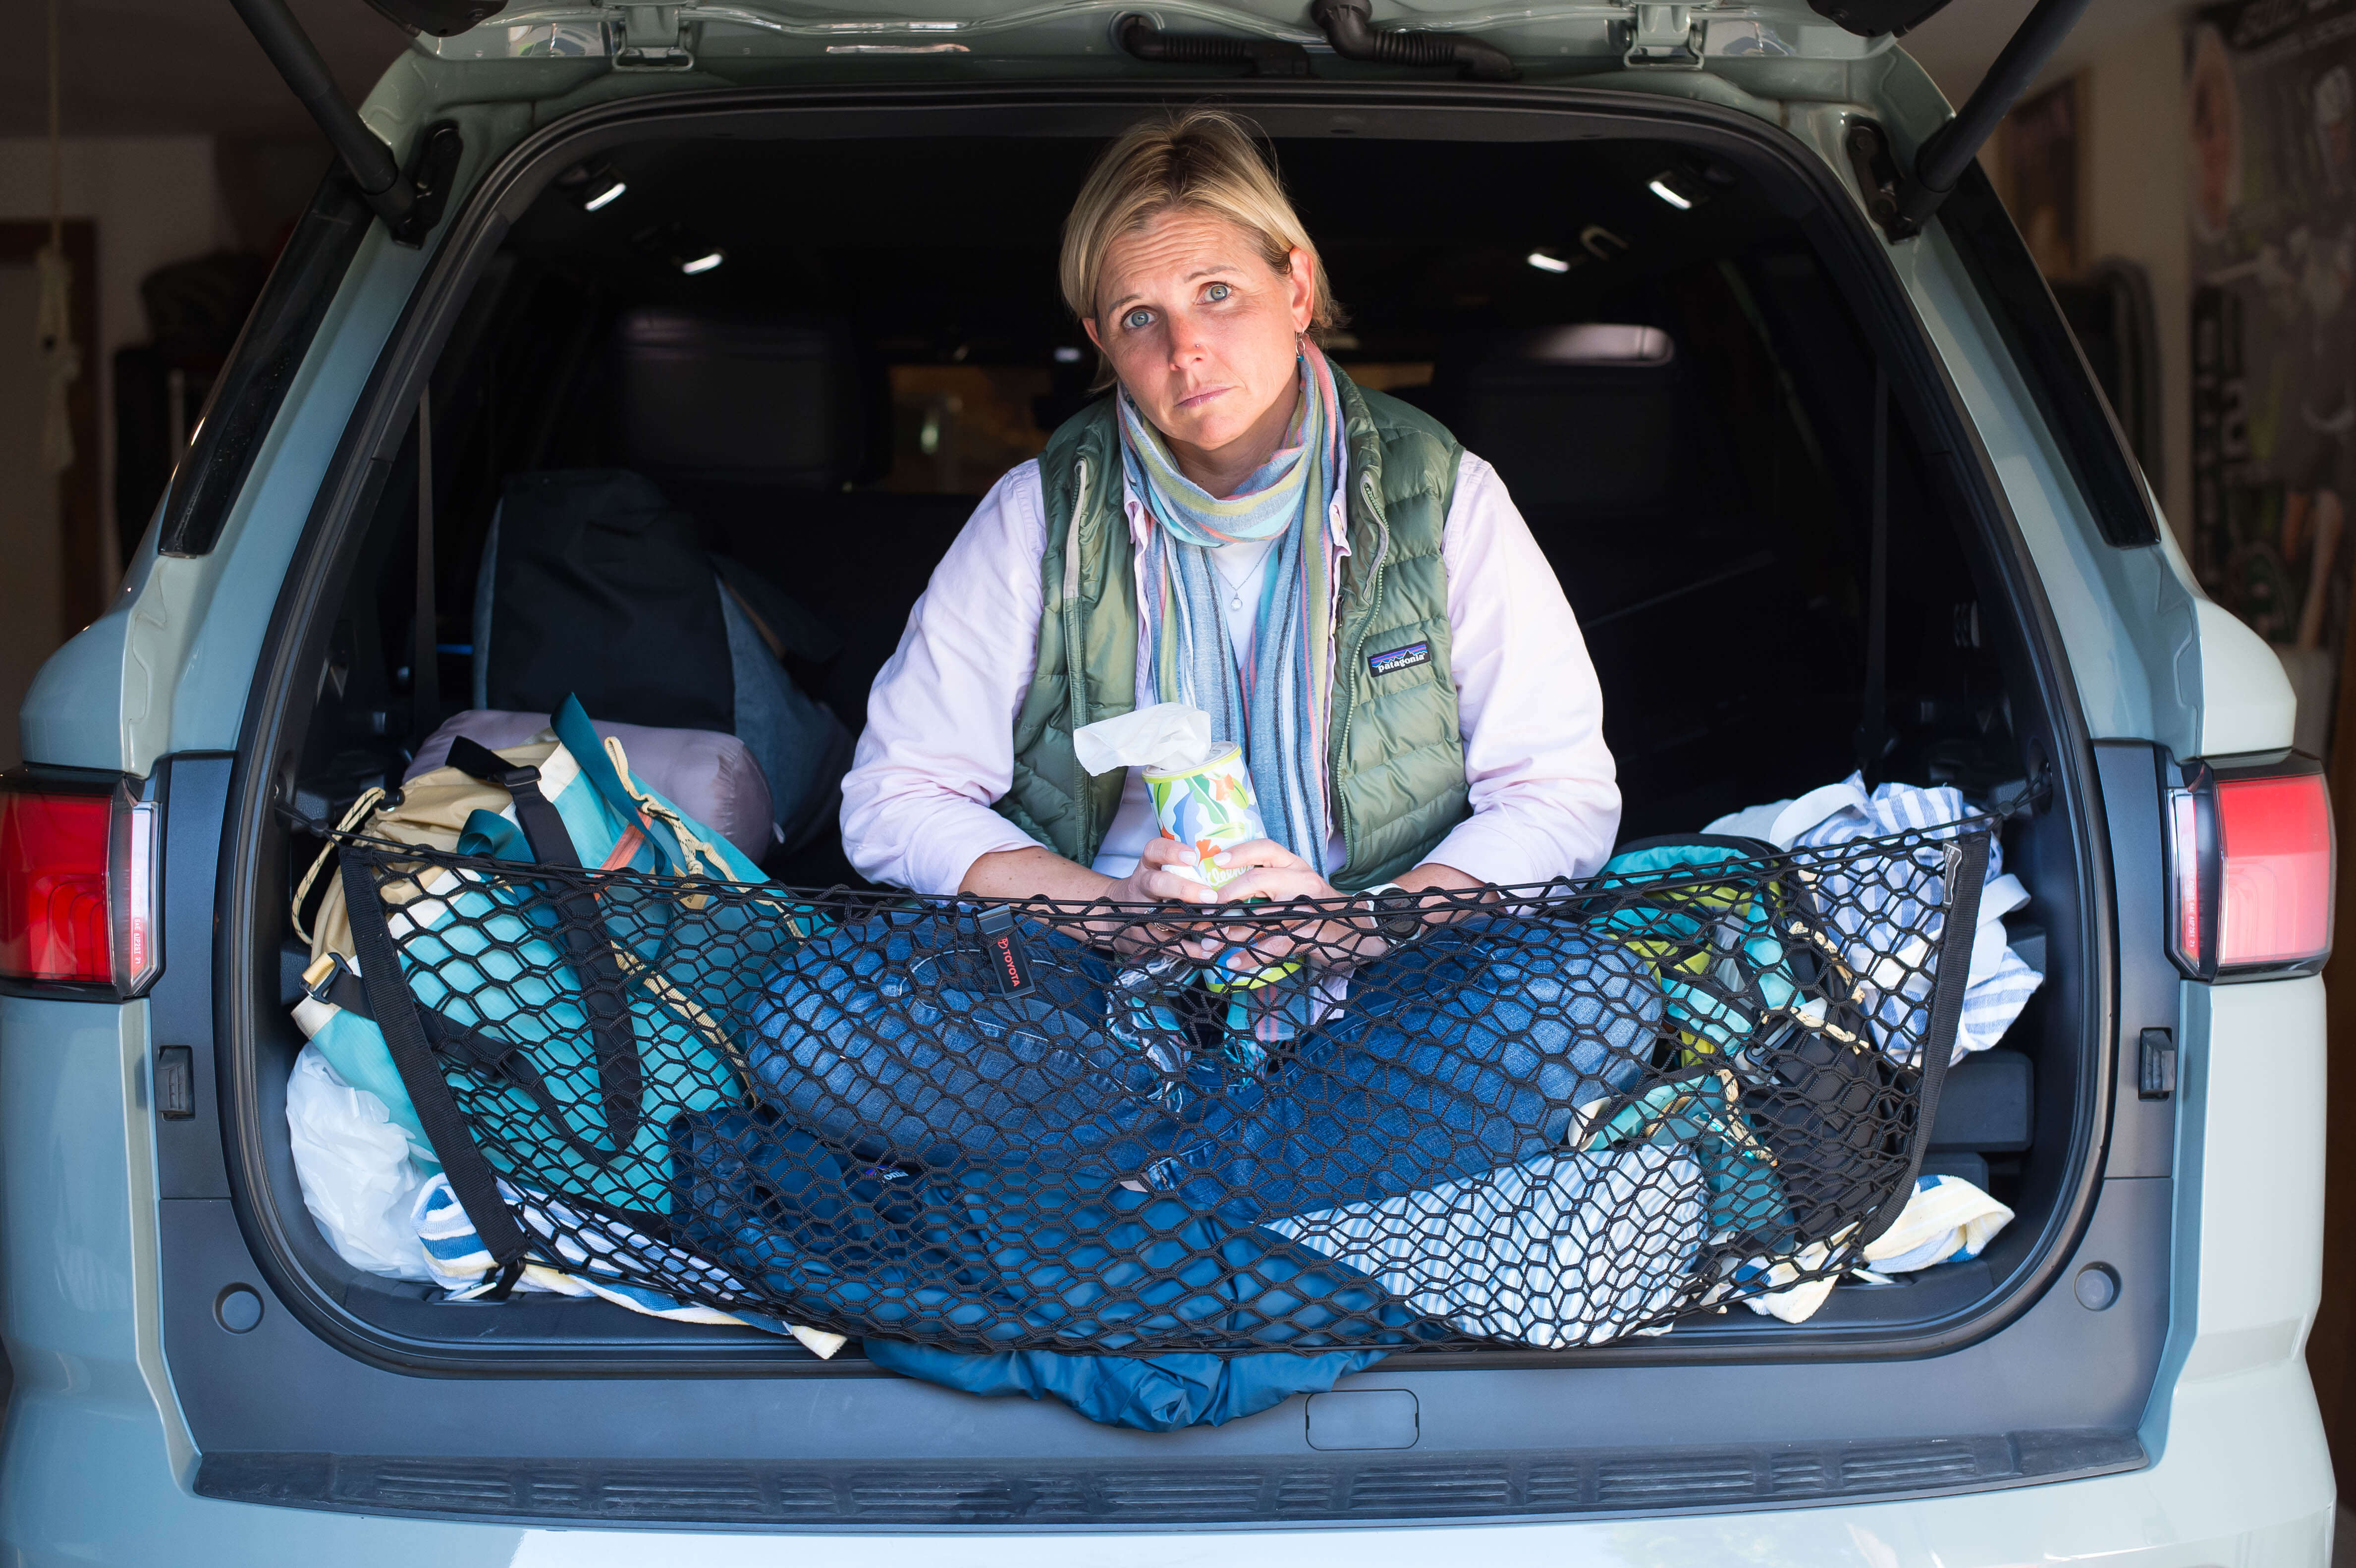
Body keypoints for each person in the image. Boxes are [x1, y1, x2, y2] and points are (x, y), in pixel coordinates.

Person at [770, 108, 1642, 1218]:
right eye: (1142, 317)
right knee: (813, 1015)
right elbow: (896, 793)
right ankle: (1286, 1179)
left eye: (1218, 293)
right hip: (1100, 999)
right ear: (1102, 339)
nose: (1184, 348)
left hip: (1376, 975)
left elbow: (1557, 794)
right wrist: (1110, 911)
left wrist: (1351, 923)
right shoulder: (1040, 511)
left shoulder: (1443, 495)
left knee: (1590, 996)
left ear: (1297, 285)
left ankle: (1163, 1189)